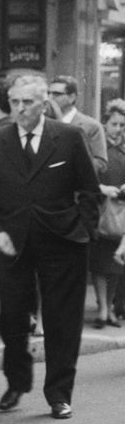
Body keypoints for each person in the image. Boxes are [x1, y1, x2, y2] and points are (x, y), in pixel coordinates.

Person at [0, 72, 100, 419]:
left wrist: (84, 231)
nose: (20, 109)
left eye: (27, 102)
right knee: (13, 316)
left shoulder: (69, 137)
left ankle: (59, 393)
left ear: (44, 104)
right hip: (13, 242)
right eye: (14, 102)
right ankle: (17, 381)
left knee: (62, 319)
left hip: (64, 241)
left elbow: (89, 190)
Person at [88, 100, 125, 328]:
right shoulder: (98, 150)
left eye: (122, 125)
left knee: (116, 266)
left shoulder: (124, 150)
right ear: (105, 124)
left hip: (121, 214)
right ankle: (102, 308)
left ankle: (110, 306)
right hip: (100, 211)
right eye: (114, 124)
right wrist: (103, 189)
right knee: (100, 263)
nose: (118, 129)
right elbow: (87, 177)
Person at [48, 75, 108, 175]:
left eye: (56, 94)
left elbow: (100, 164)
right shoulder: (44, 123)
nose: (50, 98)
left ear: (72, 97)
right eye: (48, 93)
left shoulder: (91, 126)